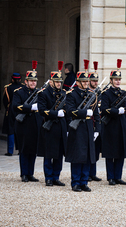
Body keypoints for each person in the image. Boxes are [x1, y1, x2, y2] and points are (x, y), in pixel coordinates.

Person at [65, 59, 101, 192]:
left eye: (87, 81)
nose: (86, 84)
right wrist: (85, 112)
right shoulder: (71, 95)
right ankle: (75, 182)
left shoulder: (92, 95)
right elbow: (70, 111)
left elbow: (96, 114)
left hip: (88, 127)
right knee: (77, 156)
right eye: (84, 82)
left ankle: (84, 181)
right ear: (78, 82)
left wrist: (97, 128)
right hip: (77, 128)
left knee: (87, 156)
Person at [13, 61, 43, 182]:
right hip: (23, 125)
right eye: (31, 81)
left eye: (34, 81)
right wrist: (30, 107)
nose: (33, 83)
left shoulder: (39, 93)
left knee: (33, 150)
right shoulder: (19, 92)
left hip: (35, 124)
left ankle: (30, 173)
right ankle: (24, 173)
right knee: (24, 150)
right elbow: (15, 107)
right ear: (26, 81)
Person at [37, 61, 67, 187]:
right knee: (49, 154)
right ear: (51, 82)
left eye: (60, 82)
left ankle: (56, 176)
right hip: (49, 127)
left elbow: (68, 109)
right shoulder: (44, 94)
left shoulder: (64, 93)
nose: (59, 84)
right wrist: (55, 114)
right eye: (57, 82)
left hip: (60, 127)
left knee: (59, 155)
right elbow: (42, 110)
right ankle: (48, 177)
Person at [101, 59, 126, 186]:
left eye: (119, 79)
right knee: (110, 153)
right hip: (110, 126)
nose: (118, 81)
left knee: (120, 152)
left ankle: (118, 176)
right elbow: (104, 109)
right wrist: (117, 111)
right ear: (111, 80)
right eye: (115, 79)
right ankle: (110, 177)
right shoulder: (106, 94)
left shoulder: (124, 93)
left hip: (121, 125)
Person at [87, 61, 102, 182]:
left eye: (96, 81)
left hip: (96, 122)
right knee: (87, 150)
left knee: (95, 150)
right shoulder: (86, 94)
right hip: (86, 123)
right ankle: (87, 173)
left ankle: (93, 173)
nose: (95, 83)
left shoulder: (99, 93)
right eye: (93, 81)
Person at [2, 73, 24, 156]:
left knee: (11, 130)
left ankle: (10, 151)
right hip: (21, 109)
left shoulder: (8, 88)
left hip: (11, 109)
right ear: (20, 79)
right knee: (20, 129)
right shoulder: (23, 87)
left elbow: (5, 101)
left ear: (12, 79)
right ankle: (20, 150)